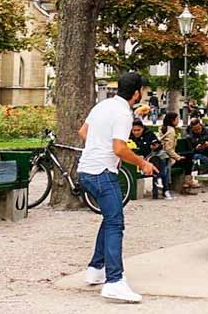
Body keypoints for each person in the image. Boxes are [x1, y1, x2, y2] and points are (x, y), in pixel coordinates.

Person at [77, 71, 157, 303]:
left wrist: (101, 148)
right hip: (102, 173)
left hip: (86, 171)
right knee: (115, 223)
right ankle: (114, 281)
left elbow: (84, 132)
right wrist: (143, 163)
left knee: (110, 218)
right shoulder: (124, 113)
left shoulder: (103, 106)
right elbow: (120, 148)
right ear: (136, 93)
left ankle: (95, 269)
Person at [159, 112, 195, 197]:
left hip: (162, 158)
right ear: (172, 120)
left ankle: (187, 181)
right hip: (169, 160)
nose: (178, 121)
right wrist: (178, 157)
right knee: (188, 161)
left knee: (187, 158)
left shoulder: (163, 128)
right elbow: (168, 149)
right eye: (177, 119)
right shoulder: (171, 131)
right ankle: (187, 181)